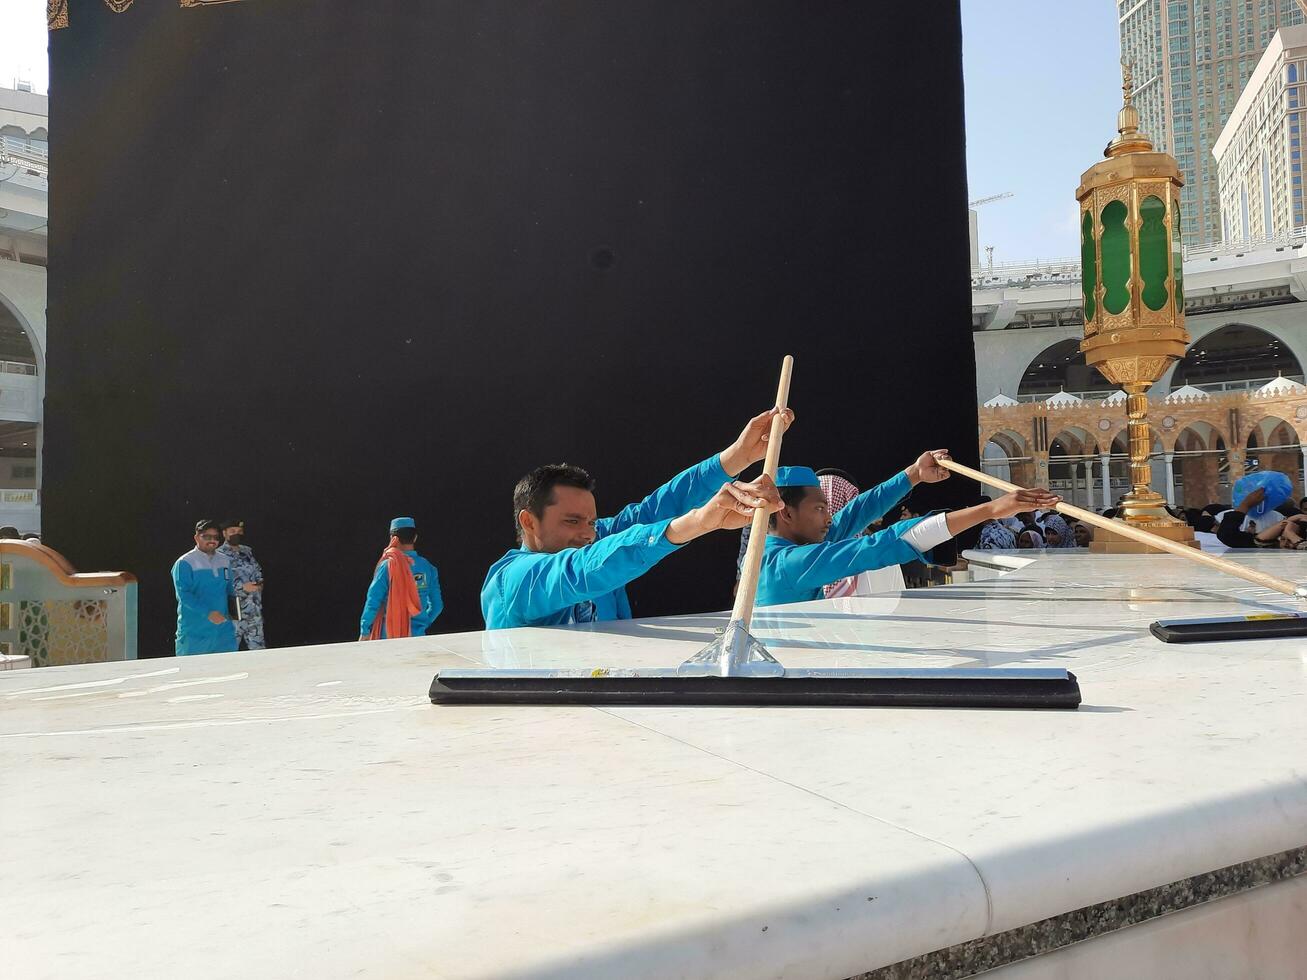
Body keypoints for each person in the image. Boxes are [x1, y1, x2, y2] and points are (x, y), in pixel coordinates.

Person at [483, 407, 792, 629]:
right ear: (529, 521)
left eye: (591, 521)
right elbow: (582, 570)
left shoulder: (594, 539)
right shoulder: (513, 580)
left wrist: (739, 456)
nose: (588, 533)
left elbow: (654, 511)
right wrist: (698, 522)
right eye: (572, 521)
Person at [754, 452, 1060, 607]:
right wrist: (991, 509)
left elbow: (856, 513)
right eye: (820, 509)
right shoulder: (788, 564)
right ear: (785, 513)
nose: (830, 517)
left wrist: (913, 474)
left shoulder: (782, 549)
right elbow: (878, 546)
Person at [359, 517, 443, 640]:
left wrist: (364, 630)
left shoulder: (387, 566)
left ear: (393, 539)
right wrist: (421, 623)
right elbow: (437, 606)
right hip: (418, 637)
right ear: (415, 538)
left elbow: (373, 602)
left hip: (389, 637)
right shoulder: (429, 568)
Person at [172, 519, 238, 656]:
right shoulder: (184, 562)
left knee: (228, 673)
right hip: (195, 634)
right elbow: (184, 595)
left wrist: (235, 618)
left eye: (215, 537)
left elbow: (229, 590)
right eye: (206, 537)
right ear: (196, 537)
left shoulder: (224, 560)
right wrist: (208, 613)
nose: (212, 541)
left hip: (223, 634)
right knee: (193, 675)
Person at [217, 519, 266, 650]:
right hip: (233, 611)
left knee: (259, 652)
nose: (236, 534)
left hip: (253, 609)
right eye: (232, 531)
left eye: (239, 532)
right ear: (224, 533)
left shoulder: (247, 551)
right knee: (229, 652)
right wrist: (241, 587)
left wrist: (259, 583)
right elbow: (219, 582)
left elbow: (257, 570)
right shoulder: (218, 555)